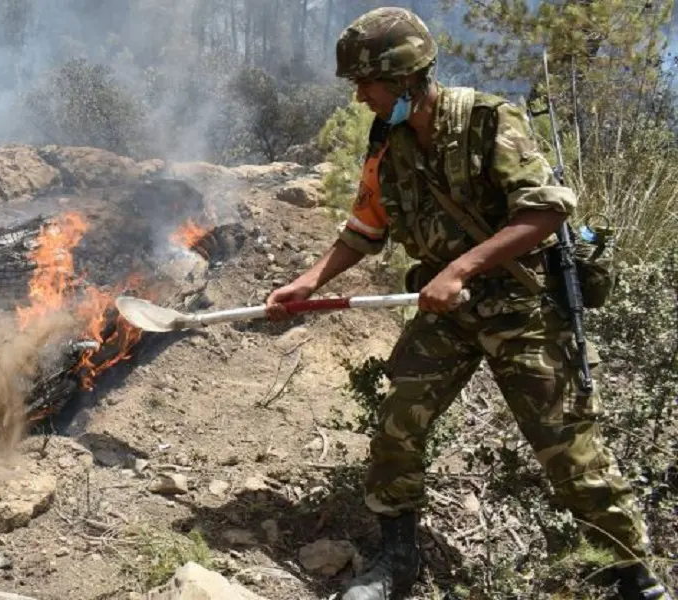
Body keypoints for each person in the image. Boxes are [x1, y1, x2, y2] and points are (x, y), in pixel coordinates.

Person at [265, 7, 674, 600]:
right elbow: (365, 228)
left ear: (405, 79)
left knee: (565, 442)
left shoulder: (488, 120)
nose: (359, 97)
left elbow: (547, 207)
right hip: (447, 310)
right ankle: (397, 559)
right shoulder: (390, 146)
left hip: (520, 304)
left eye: (365, 83)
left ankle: (632, 573)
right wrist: (310, 280)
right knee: (398, 420)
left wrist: (460, 268)